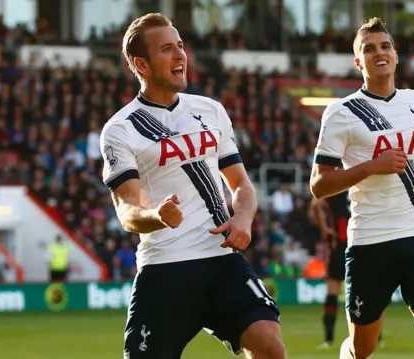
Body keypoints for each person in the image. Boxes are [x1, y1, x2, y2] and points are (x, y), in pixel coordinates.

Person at [100, 13, 285, 359]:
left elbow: (241, 184)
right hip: (166, 267)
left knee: (270, 344)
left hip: (221, 259)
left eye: (181, 46)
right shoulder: (120, 129)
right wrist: (157, 215)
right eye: (167, 49)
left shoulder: (210, 111)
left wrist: (243, 218)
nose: (180, 55)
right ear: (141, 64)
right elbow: (127, 211)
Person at [309, 18, 414, 359]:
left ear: (395, 54)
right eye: (369, 48)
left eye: (384, 46)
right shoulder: (341, 112)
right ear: (358, 62)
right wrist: (370, 167)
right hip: (371, 239)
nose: (378, 52)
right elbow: (319, 185)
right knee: (363, 347)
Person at [311, 192, 384, 350]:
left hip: (340, 246)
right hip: (360, 245)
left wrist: (325, 228)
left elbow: (315, 204)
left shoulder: (336, 186)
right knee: (368, 293)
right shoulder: (359, 183)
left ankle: (328, 340)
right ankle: (377, 337)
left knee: (333, 293)